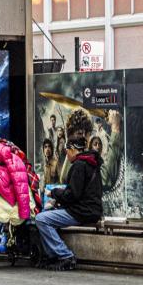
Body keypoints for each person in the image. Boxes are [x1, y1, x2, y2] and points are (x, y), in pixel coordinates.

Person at [34, 108, 102, 271]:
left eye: (67, 151)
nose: (66, 154)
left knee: (41, 219)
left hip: (82, 212)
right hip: (90, 209)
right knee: (48, 216)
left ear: (72, 149)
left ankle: (65, 255)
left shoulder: (79, 165)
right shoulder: (91, 163)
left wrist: (54, 193)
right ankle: (53, 256)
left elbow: (72, 195)